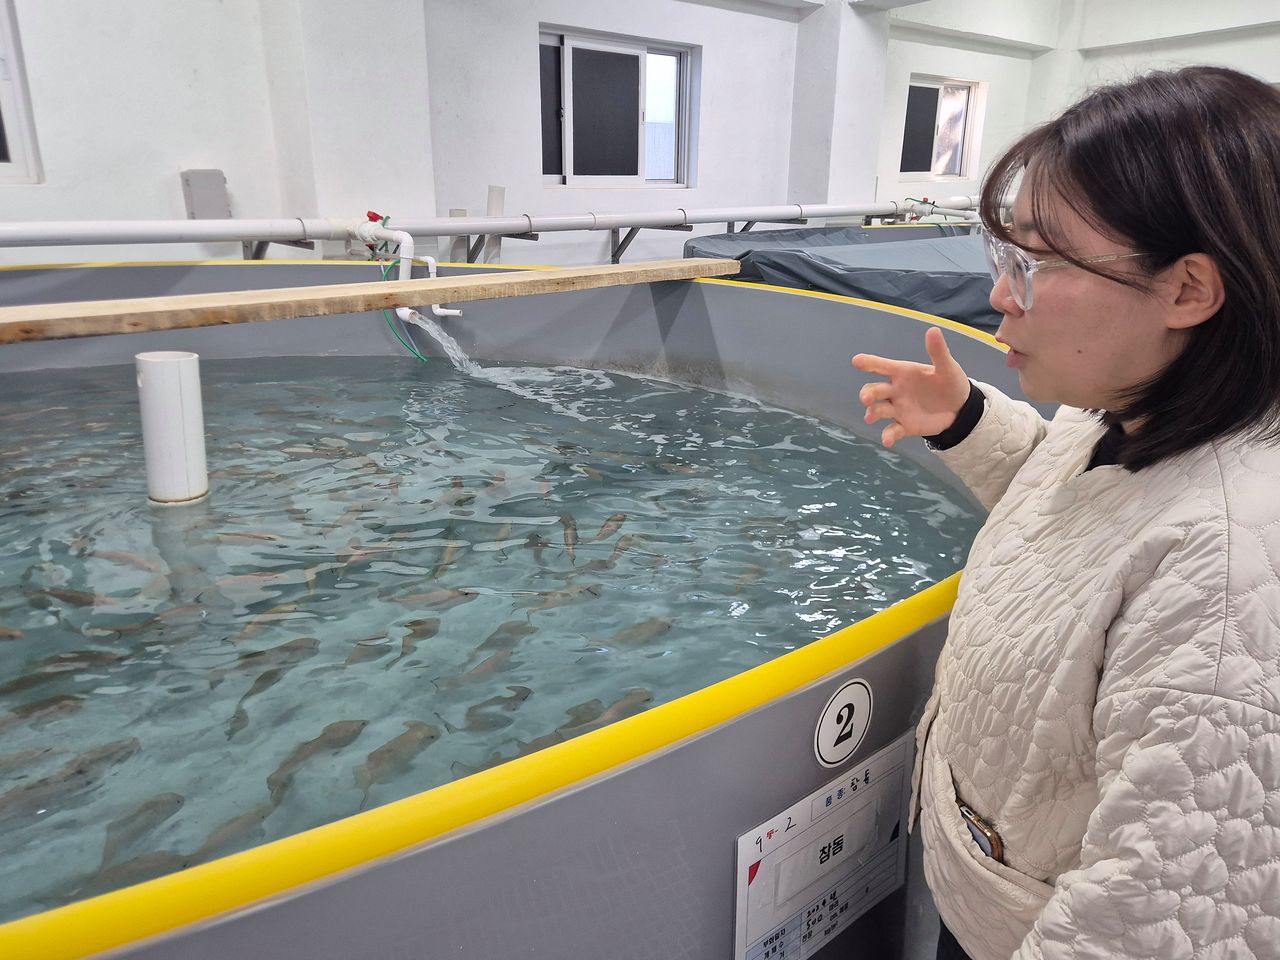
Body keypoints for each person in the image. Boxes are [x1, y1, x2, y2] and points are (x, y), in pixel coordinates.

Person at [852, 66, 1280, 960]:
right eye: (1005, 257)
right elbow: (1078, 519)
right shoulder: (1127, 409)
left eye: (1038, 264)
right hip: (995, 890)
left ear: (1189, 290)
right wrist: (967, 421)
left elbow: (1155, 918)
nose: (1002, 295)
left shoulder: (1233, 576)